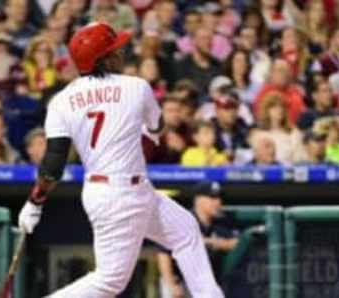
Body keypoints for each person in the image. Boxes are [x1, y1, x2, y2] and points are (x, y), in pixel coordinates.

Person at [17, 22, 224, 298]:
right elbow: (157, 128)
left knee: (185, 230)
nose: (121, 53)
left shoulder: (61, 101)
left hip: (116, 191)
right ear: (103, 58)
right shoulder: (136, 87)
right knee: (110, 281)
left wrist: (34, 202)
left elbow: (53, 163)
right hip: (121, 194)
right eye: (114, 49)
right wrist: (137, 126)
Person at [157, 182, 238, 298]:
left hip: (207, 282)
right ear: (198, 199)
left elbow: (237, 243)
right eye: (212, 198)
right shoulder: (183, 220)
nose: (218, 202)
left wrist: (210, 242)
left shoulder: (221, 222)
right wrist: (170, 283)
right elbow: (163, 252)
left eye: (219, 198)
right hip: (180, 281)